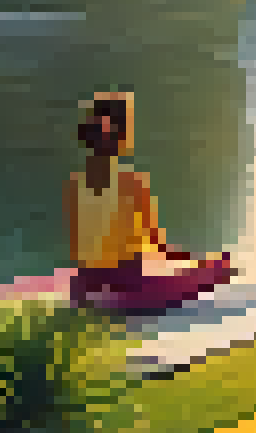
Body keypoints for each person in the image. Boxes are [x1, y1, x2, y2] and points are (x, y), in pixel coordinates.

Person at [65, 92, 237, 314]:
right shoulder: (132, 183)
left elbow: (79, 244)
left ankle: (97, 298)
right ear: (122, 135)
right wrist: (189, 262)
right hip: (127, 283)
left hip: (87, 282)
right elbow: (155, 241)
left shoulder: (75, 184)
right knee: (201, 275)